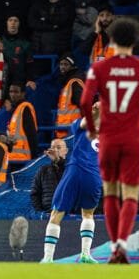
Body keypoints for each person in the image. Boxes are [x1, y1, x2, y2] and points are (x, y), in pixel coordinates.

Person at [80, 17, 139, 264]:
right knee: (130, 194)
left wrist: (91, 129)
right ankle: (121, 245)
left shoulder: (99, 67)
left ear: (112, 39)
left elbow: (86, 101)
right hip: (132, 139)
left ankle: (114, 244)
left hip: (108, 137)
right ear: (136, 40)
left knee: (109, 193)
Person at [40, 103, 102, 264]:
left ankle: (48, 258)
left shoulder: (81, 124)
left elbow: (85, 122)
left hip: (76, 171)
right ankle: (85, 254)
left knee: (57, 214)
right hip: (94, 176)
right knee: (88, 214)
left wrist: (95, 110)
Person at [30, 138, 68, 213]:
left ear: (66, 151)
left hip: (68, 214)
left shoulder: (71, 169)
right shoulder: (42, 170)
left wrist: (58, 160)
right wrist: (40, 212)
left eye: (59, 147)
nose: (55, 150)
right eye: (53, 147)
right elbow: (34, 194)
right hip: (47, 214)